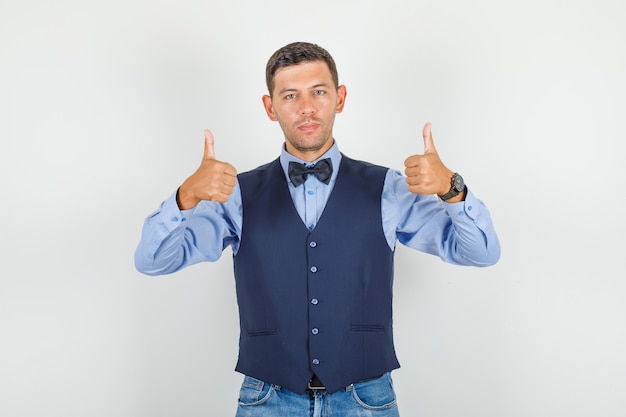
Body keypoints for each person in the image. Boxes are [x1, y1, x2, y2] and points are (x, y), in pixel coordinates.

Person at [134, 41, 500, 417]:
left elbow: (481, 252)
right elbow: (153, 261)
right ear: (269, 107)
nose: (306, 108)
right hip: (267, 398)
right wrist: (185, 197)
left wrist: (452, 189)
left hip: (365, 398)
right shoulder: (236, 195)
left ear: (339, 98)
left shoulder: (389, 188)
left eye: (319, 92)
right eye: (290, 95)